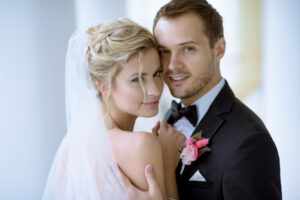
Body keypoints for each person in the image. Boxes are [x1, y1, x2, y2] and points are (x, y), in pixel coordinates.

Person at [125, 0, 282, 199]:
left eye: (188, 49)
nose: (172, 65)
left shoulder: (249, 141)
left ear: (219, 49)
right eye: (164, 51)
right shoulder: (168, 119)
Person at [42, 18, 185, 200]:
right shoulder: (141, 145)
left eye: (156, 74)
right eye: (137, 79)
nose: (155, 90)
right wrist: (167, 162)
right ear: (104, 86)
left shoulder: (73, 143)